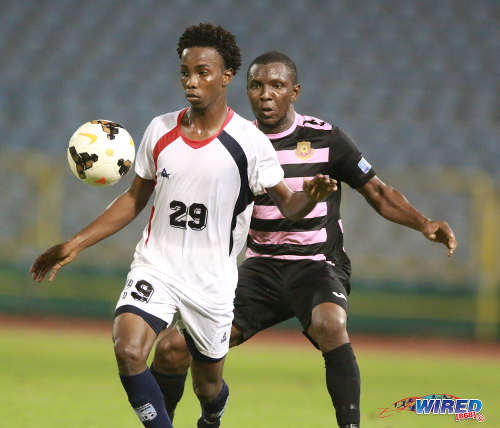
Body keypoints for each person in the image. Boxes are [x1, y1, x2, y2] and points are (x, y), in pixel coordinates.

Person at [29, 30, 337, 428]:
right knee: (128, 350)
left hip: (211, 281)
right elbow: (133, 200)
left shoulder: (250, 143)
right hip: (156, 266)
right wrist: (75, 243)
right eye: (185, 73)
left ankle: (213, 414)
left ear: (226, 77)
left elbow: (291, 206)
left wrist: (310, 195)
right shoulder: (159, 131)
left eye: (202, 72)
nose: (191, 81)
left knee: (207, 386)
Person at [150, 51, 458, 428]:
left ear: (294, 91)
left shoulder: (326, 138)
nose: (265, 94)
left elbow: (377, 192)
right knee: (172, 349)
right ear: (245, 90)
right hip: (259, 269)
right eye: (257, 85)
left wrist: (423, 223)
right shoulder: (236, 142)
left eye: (276, 86)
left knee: (331, 324)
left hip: (316, 267)